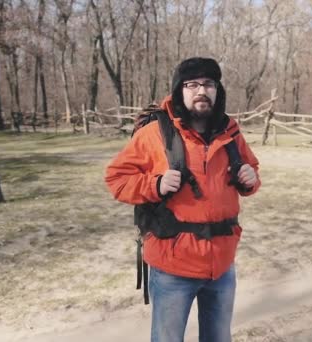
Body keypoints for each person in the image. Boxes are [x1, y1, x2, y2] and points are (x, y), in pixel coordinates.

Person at [104, 57, 261, 342]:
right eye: (192, 84)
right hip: (172, 266)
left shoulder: (230, 132)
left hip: (222, 264)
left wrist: (250, 179)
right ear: (179, 90)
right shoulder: (155, 133)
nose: (201, 90)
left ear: (217, 90)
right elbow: (116, 178)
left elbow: (251, 170)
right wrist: (156, 184)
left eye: (209, 84)